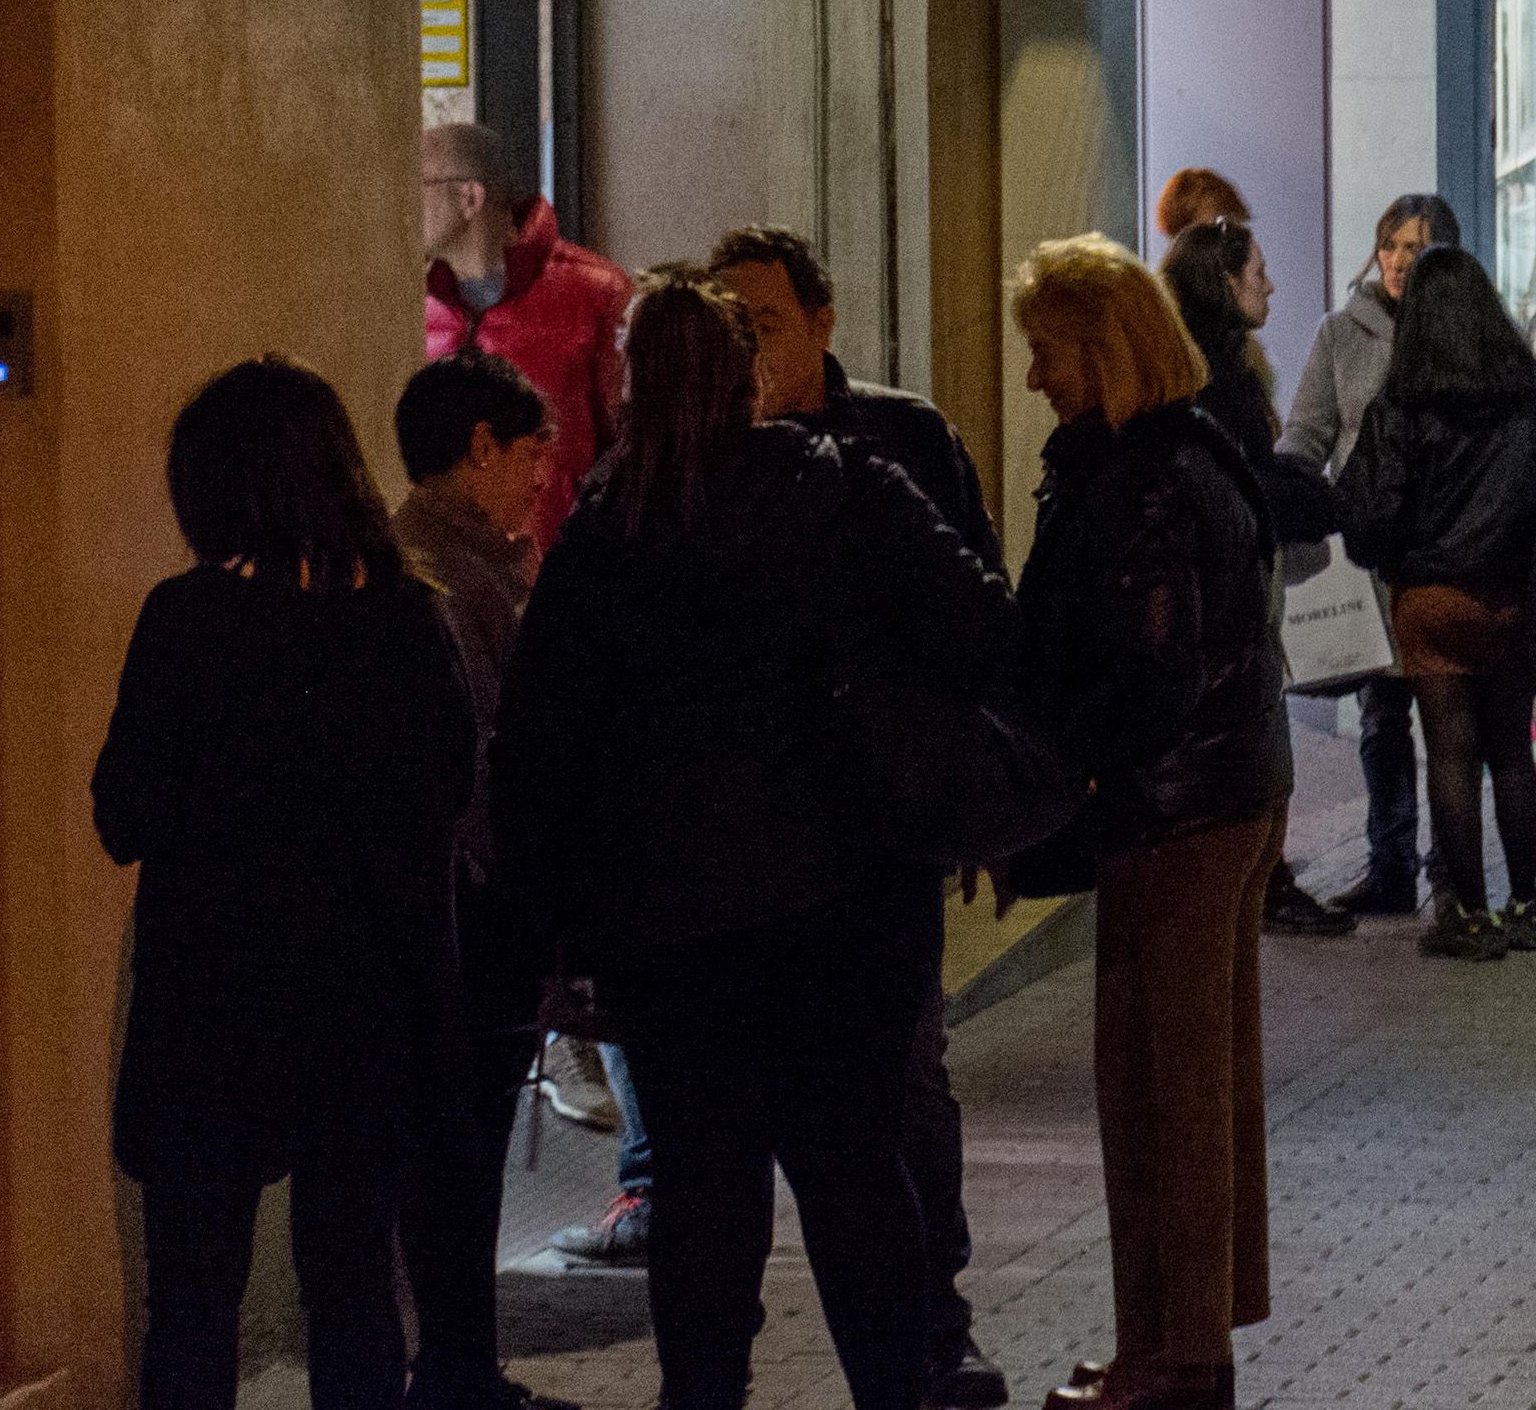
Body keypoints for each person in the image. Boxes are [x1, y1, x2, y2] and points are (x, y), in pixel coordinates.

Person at [493, 277, 1015, 1410]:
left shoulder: (604, 535)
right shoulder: (849, 494)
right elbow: (979, 627)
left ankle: (705, 1401)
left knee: (702, 1192)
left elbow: (541, 751)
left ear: (633, 390)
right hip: (851, 906)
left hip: (673, 931)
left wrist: (540, 936)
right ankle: (895, 1386)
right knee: (854, 1174)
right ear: (746, 383)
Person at [97, 359, 476, 1410]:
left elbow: (120, 814)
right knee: (354, 1295)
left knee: (192, 1306)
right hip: (367, 1010)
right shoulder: (408, 621)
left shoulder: (185, 622)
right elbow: (451, 787)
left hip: (210, 1009)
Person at [709, 227, 1021, 1396]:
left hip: (872, 841)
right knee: (751, 1141)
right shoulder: (677, 465)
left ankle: (937, 1326)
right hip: (734, 871)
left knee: (902, 1088)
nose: (749, 352)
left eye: (769, 323)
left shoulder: (896, 443)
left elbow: (977, 624)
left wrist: (971, 800)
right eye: (727, 326)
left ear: (823, 322)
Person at [996, 240, 1287, 1410]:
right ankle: (1174, 1347)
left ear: (1100, 348)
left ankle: (1172, 1360)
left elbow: (1146, 674)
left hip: (1176, 812)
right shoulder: (1186, 452)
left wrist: (1048, 780)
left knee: (1162, 1093)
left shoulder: (1144, 477)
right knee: (1192, 1088)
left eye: (1045, 353)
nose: (1033, 380)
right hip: (1216, 799)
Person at [389, 355, 568, 1410]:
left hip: (479, 906)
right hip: (472, 909)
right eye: (531, 449)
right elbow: (486, 755)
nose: (546, 470)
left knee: (467, 1145)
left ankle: (459, 1361)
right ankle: (454, 1365)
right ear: (478, 449)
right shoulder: (440, 581)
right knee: (457, 1147)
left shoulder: (484, 563)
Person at [1330, 246, 1536, 960]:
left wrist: (1397, 551)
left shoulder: (1403, 401)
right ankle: (1526, 903)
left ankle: (1468, 915)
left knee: (1451, 754)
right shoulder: (1531, 394)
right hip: (1514, 594)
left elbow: (1370, 512)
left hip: (1432, 599)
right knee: (1513, 753)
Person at [1281, 193, 1457, 920]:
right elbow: (1307, 434)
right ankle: (1390, 865)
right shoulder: (1339, 332)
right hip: (1369, 560)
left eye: (1415, 247)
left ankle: (1453, 873)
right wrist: (1291, 502)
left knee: (1450, 720)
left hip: (1444, 554)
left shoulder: (1468, 329)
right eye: (1390, 244)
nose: (1398, 260)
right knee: (1382, 719)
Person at [420, 120, 627, 547]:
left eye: (419, 185)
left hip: (560, 572)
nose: (405, 206)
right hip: (450, 578)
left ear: (469, 197)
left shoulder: (595, 293)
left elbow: (629, 447)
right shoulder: (416, 307)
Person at [1154, 215, 1283, 462]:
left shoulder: (1176, 366)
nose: (1269, 287)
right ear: (1230, 283)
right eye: (1259, 274)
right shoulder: (1219, 382)